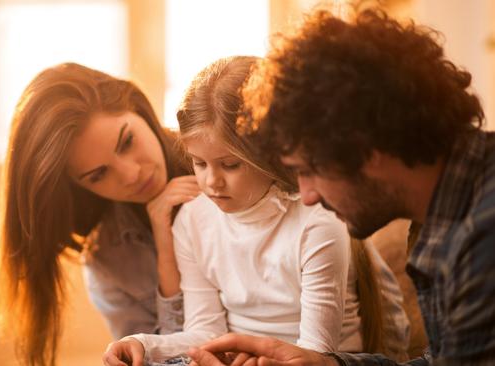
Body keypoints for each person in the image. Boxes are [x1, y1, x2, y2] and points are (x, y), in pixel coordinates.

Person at [188, 8, 495, 366]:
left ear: (369, 147)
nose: (307, 195)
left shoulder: (482, 237)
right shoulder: (443, 212)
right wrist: (328, 364)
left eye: (309, 170)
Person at [103, 56, 409, 366]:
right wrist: (141, 342)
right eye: (199, 163)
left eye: (230, 164)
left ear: (270, 154)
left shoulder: (317, 219)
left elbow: (315, 354)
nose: (211, 182)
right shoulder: (193, 218)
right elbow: (205, 331)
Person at [0, 63, 201, 366]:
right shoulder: (108, 260)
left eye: (127, 141)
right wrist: (166, 253)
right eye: (98, 175)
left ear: (138, 108)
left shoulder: (229, 158)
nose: (132, 174)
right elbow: (158, 363)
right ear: (79, 188)